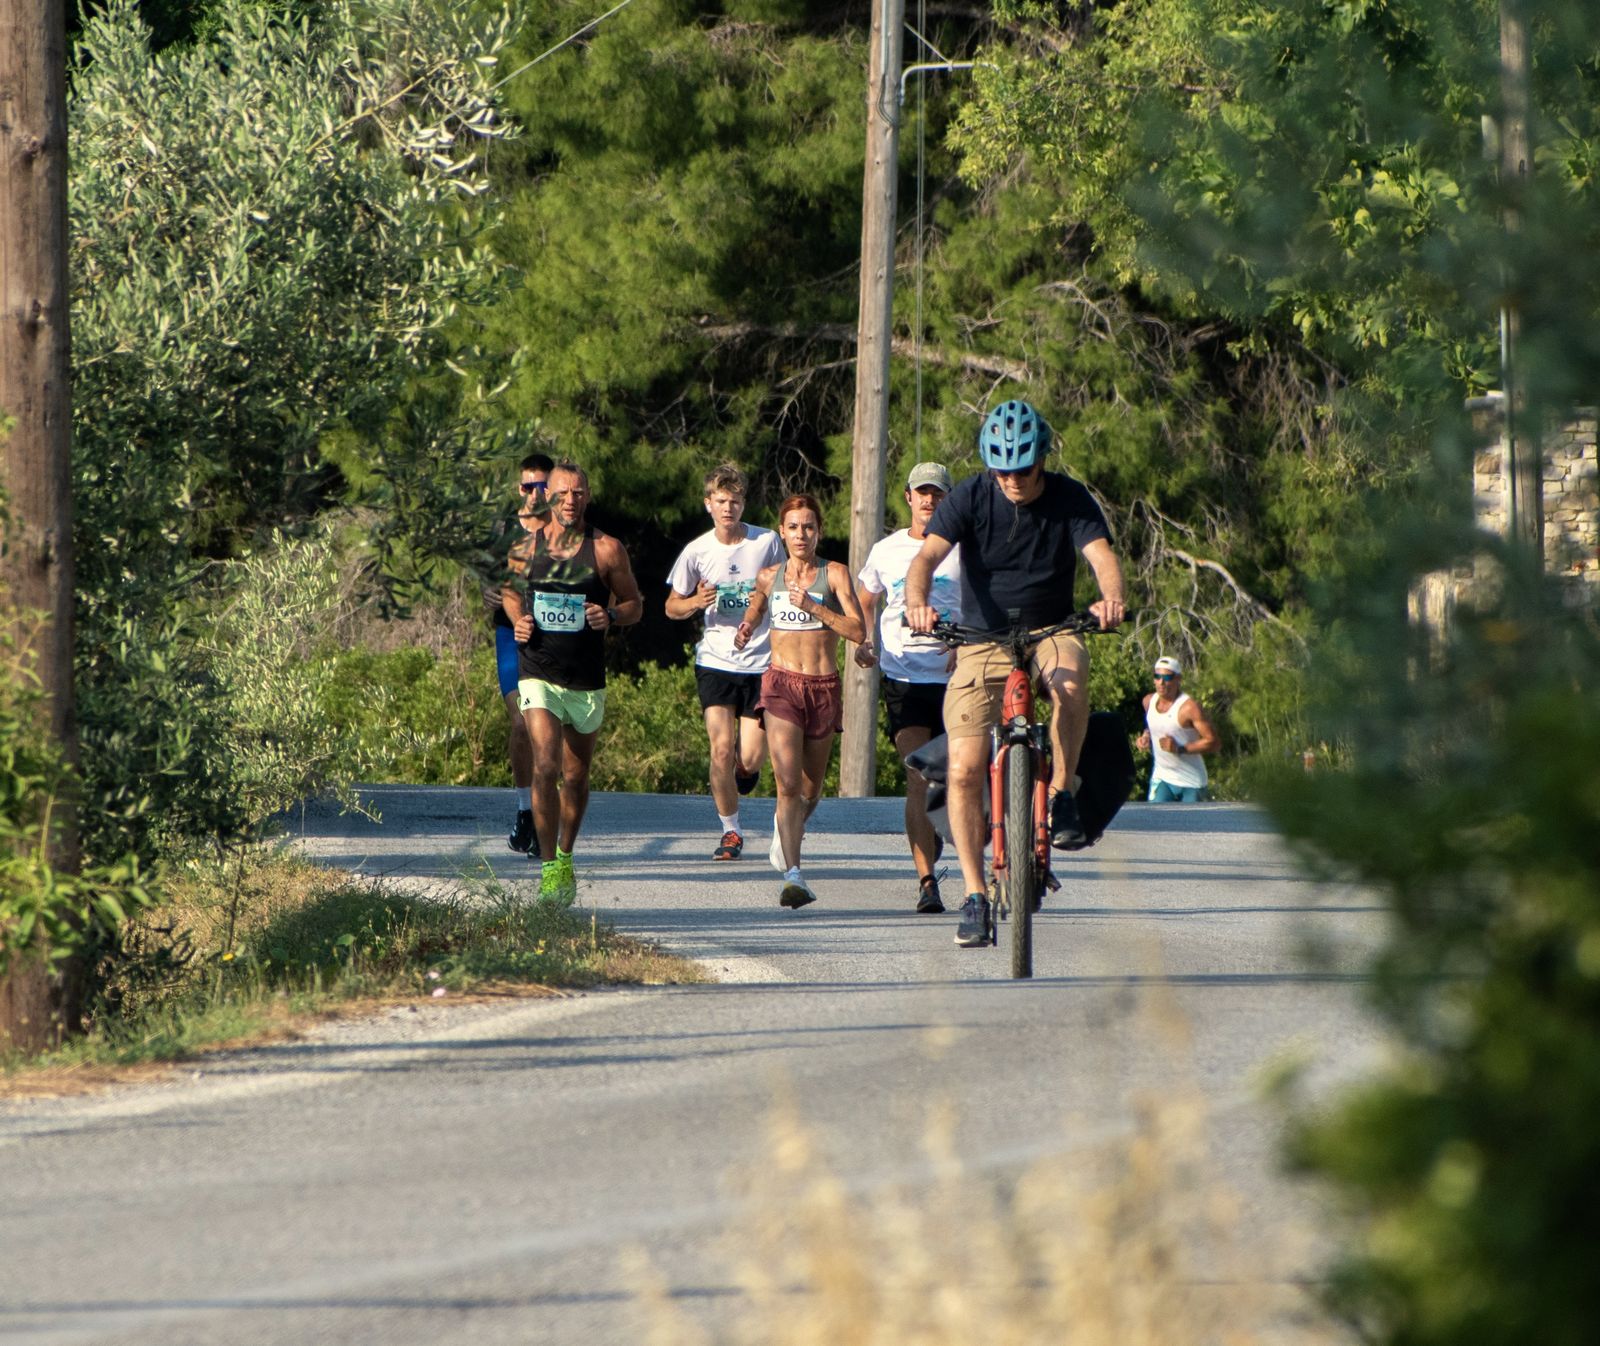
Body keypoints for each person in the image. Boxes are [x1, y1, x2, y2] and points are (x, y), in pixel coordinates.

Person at [904, 399, 1127, 949]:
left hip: (1052, 628)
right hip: (982, 638)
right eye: (1002, 470)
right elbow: (925, 559)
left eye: (1023, 470)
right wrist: (917, 603)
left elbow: (1101, 556)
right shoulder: (970, 497)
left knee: (1070, 683)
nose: (1012, 480)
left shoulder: (1070, 497)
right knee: (963, 767)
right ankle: (975, 895)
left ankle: (1061, 793)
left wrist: (1111, 599)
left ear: (1042, 460)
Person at [503, 462, 643, 905]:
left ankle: (565, 855)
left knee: (576, 776)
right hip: (537, 670)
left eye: (578, 493)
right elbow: (510, 591)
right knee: (545, 765)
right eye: (562, 493)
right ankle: (548, 868)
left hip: (585, 677)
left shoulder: (607, 549)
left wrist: (612, 615)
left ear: (587, 496)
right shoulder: (525, 548)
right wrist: (518, 619)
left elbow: (635, 604)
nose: (570, 501)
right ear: (548, 495)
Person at [734, 494, 866, 909]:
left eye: (808, 527)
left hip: (823, 687)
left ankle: (785, 828)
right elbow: (757, 607)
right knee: (788, 785)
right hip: (781, 685)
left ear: (819, 531)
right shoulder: (769, 576)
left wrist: (813, 606)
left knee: (810, 790)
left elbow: (857, 630)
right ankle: (794, 876)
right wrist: (746, 626)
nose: (801, 534)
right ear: (782, 532)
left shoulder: (835, 574)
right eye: (793, 527)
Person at [855, 461, 962, 914]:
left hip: (956, 680)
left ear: (948, 500)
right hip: (904, 676)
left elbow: (986, 601)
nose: (929, 500)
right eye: (922, 492)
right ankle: (927, 883)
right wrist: (865, 640)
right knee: (918, 776)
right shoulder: (887, 550)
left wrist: (966, 645)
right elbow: (865, 598)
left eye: (937, 493)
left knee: (957, 777)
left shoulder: (964, 548)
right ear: (908, 497)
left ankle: (938, 827)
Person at [665, 464, 787, 860]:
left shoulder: (766, 542)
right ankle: (731, 831)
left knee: (749, 758)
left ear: (743, 503)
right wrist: (694, 602)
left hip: (761, 662)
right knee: (720, 749)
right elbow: (671, 607)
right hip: (716, 661)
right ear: (708, 504)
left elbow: (786, 587)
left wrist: (766, 602)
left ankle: (742, 773)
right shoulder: (697, 551)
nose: (728, 508)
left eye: (734, 501)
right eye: (721, 501)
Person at [494, 452, 553, 857]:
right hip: (511, 634)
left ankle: (545, 815)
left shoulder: (563, 528)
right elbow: (486, 577)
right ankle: (524, 810)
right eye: (529, 486)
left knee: (547, 728)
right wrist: (490, 593)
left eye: (542, 485)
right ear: (520, 488)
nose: (535, 493)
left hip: (554, 637)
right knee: (520, 723)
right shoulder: (502, 528)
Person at [1136, 656, 1218, 801]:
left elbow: (1214, 742)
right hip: (1162, 777)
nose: (1161, 682)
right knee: (1154, 815)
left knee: (1190, 817)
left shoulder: (1189, 708)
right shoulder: (1148, 701)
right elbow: (1151, 724)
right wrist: (1146, 737)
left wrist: (1179, 749)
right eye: (1157, 676)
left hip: (1191, 782)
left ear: (1178, 679)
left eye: (1167, 677)